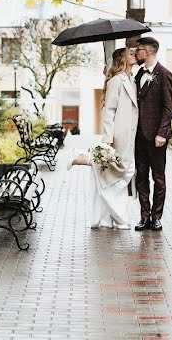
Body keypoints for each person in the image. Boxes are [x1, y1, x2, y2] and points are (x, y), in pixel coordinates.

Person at [63, 47, 138, 229]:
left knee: (118, 173)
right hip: (119, 135)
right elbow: (109, 111)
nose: (134, 55)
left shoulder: (132, 80)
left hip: (132, 135)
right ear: (122, 59)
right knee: (120, 172)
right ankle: (119, 218)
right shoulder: (116, 81)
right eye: (130, 53)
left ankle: (85, 160)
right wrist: (108, 138)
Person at [132, 36, 172, 232]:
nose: (136, 53)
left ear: (147, 51)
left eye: (138, 50)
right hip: (139, 136)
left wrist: (162, 134)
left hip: (157, 138)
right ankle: (144, 217)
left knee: (158, 178)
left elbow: (168, 108)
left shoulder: (164, 74)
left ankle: (157, 217)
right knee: (141, 177)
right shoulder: (139, 74)